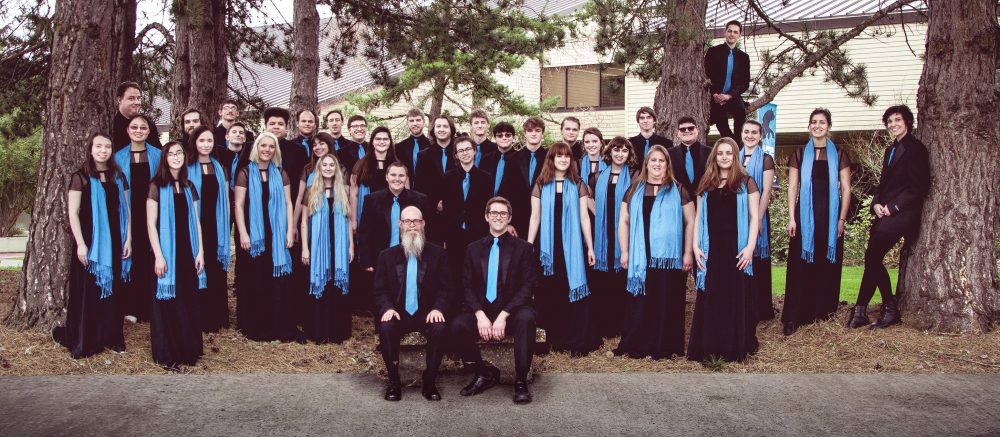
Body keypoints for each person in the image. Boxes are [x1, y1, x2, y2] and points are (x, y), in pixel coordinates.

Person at [848, 105, 929, 330]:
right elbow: (884, 184)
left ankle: (889, 308)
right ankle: (861, 310)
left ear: (907, 122)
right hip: (883, 213)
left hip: (903, 214)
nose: (893, 124)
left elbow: (919, 187)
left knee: (872, 257)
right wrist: (875, 204)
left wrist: (892, 207)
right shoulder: (891, 149)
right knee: (872, 258)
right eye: (889, 121)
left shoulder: (916, 149)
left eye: (897, 120)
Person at [449, 197, 538, 404]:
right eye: (494, 213)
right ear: (486, 217)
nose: (498, 217)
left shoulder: (523, 248)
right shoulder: (472, 248)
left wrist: (503, 316)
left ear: (510, 218)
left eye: (503, 214)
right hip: (483, 310)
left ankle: (520, 381)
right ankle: (482, 373)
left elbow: (528, 286)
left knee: (526, 319)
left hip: (513, 310)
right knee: (457, 325)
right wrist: (480, 315)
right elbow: (467, 285)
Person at [614, 145, 694, 359]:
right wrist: (624, 251)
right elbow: (623, 221)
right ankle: (639, 344)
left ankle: (665, 346)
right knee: (640, 302)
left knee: (667, 301)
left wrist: (688, 253)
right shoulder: (634, 190)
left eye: (662, 160)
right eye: (653, 160)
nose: (657, 164)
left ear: (667, 164)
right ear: (646, 164)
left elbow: (691, 221)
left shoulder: (679, 189)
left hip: (670, 258)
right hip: (641, 255)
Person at [54, 133, 131, 358]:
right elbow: (73, 213)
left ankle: (113, 337)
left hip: (115, 241)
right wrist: (80, 244)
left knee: (114, 292)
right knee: (89, 293)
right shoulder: (81, 177)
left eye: (107, 146)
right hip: (90, 243)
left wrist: (129, 239)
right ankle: (87, 339)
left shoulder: (118, 176)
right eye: (98, 146)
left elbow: (126, 211)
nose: (103, 150)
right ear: (91, 149)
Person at [688, 137, 761, 363]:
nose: (724, 157)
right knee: (711, 298)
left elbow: (754, 217)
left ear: (735, 155)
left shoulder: (746, 182)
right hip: (711, 250)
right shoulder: (706, 182)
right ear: (715, 156)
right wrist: (695, 246)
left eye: (729, 153)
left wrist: (750, 248)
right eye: (720, 153)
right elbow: (698, 217)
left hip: (736, 250)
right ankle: (710, 348)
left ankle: (733, 347)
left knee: (733, 298)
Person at [783, 108, 852, 336]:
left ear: (829, 126)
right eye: (814, 122)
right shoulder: (799, 155)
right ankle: (796, 315)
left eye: (822, 122)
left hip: (829, 219)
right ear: (809, 126)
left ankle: (823, 313)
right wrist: (792, 217)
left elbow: (846, 189)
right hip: (804, 219)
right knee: (800, 265)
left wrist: (841, 219)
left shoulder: (840, 155)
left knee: (826, 265)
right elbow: (793, 187)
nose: (817, 126)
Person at [527, 141, 599, 357]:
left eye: (567, 156)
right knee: (549, 293)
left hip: (573, 248)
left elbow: (585, 218)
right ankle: (551, 339)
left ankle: (576, 341)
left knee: (574, 292)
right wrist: (528, 246)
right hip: (548, 249)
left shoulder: (578, 184)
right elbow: (535, 217)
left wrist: (590, 247)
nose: (563, 159)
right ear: (552, 159)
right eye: (559, 156)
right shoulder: (540, 184)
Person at [373, 206, 452, 401]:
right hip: (398, 313)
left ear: (423, 224)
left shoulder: (438, 253)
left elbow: (447, 288)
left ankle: (430, 381)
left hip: (426, 313)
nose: (412, 225)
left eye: (416, 221)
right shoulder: (386, 256)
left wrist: (438, 308)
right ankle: (393, 381)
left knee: (439, 327)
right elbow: (379, 290)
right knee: (387, 326)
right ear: (400, 225)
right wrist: (387, 308)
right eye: (407, 221)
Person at [146, 141, 207, 369]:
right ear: (164, 158)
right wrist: (159, 256)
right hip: (166, 252)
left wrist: (200, 250)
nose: (176, 157)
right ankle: (167, 351)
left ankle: (188, 349)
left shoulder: (190, 186)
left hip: (188, 250)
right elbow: (151, 224)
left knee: (187, 300)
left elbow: (197, 222)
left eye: (179, 153)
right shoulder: (156, 185)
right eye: (171, 154)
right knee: (167, 302)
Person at [233, 132, 298, 342]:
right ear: (257, 148)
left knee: (277, 280)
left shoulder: (281, 173)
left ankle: (277, 324)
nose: (267, 150)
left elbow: (289, 203)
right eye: (264, 146)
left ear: (275, 150)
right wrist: (243, 232)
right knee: (255, 279)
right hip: (255, 235)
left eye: (271, 147)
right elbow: (239, 205)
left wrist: (289, 231)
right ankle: (255, 325)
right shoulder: (244, 173)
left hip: (277, 233)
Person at [357, 162, 429, 311]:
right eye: (393, 175)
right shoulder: (372, 199)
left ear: (406, 178)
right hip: (382, 254)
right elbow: (365, 232)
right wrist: (366, 260)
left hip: (411, 252)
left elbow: (428, 230)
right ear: (386, 177)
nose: (397, 179)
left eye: (401, 175)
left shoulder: (420, 199)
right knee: (384, 291)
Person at [300, 153, 354, 344]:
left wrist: (351, 246)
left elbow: (348, 220)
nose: (329, 168)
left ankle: (338, 332)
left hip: (339, 246)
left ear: (336, 169)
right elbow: (304, 223)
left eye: (332, 165)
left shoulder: (342, 191)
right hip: (318, 247)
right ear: (319, 168)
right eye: (325, 165)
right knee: (321, 284)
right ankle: (319, 332)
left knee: (336, 286)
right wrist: (305, 248)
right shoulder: (311, 191)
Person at [114, 114, 161, 323]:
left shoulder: (158, 156)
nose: (139, 130)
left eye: (143, 127)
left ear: (149, 132)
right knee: (131, 258)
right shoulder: (118, 157)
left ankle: (150, 307)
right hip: (128, 213)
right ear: (128, 130)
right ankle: (131, 307)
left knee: (150, 257)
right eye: (134, 127)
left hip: (153, 214)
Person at [348, 127, 399, 313]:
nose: (382, 142)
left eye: (386, 138)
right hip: (367, 216)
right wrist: (353, 219)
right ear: (372, 141)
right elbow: (353, 194)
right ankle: (368, 303)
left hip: (390, 218)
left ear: (390, 142)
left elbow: (406, 189)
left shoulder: (396, 163)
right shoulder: (361, 164)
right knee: (370, 258)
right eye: (378, 138)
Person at [186, 126, 231, 332]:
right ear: (194, 142)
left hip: (216, 224)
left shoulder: (218, 167)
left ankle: (217, 316)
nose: (206, 145)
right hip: (195, 224)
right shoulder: (187, 166)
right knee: (198, 267)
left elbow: (225, 199)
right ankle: (199, 316)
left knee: (215, 268)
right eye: (202, 141)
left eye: (209, 141)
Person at [590, 136, 636, 338]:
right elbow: (588, 200)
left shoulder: (635, 176)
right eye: (617, 150)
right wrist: (600, 213)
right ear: (609, 152)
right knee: (603, 280)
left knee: (621, 279)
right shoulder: (597, 176)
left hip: (624, 232)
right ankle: (604, 325)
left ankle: (621, 325)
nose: (620, 154)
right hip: (601, 234)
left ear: (629, 155)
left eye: (625, 150)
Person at [441, 136, 493, 290]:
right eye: (461, 150)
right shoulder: (448, 177)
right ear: (456, 155)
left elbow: (486, 206)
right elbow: (447, 208)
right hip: (454, 233)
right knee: (455, 269)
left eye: (468, 149)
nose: (465, 153)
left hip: (477, 232)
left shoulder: (486, 177)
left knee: (476, 269)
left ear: (475, 151)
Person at [740, 120, 777, 322]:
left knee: (758, 261)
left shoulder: (765, 159)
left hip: (758, 214)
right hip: (738, 217)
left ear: (761, 136)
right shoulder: (733, 157)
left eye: (754, 132)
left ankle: (760, 309)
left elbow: (766, 192)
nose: (750, 135)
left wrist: (760, 218)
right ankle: (743, 305)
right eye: (746, 132)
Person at [480, 122, 529, 237]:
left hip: (511, 219)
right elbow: (480, 190)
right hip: (487, 216)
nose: (504, 138)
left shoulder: (521, 159)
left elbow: (521, 196)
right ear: (494, 137)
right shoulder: (486, 159)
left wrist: (510, 222)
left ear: (513, 137)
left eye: (508, 135)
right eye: (500, 135)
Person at [414, 115, 457, 244]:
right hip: (431, 213)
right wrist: (434, 204)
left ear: (451, 130)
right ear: (433, 130)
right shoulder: (423, 155)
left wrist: (449, 203)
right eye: (438, 126)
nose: (441, 129)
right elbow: (419, 186)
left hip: (456, 212)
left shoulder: (460, 153)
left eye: (445, 126)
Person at [705, 20, 750, 141]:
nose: (732, 34)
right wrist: (715, 94)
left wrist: (729, 96)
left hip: (732, 96)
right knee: (721, 120)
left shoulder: (743, 58)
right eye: (729, 31)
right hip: (715, 96)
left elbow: (745, 83)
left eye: (735, 32)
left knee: (740, 112)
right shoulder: (713, 52)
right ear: (725, 32)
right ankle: (731, 142)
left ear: (739, 35)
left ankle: (738, 143)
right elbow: (706, 76)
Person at [668, 116, 713, 199]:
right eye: (682, 129)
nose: (687, 131)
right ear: (678, 133)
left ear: (697, 130)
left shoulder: (710, 152)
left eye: (691, 128)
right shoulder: (669, 154)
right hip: (678, 200)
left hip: (706, 199)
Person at [112, 81, 162, 151]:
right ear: (119, 100)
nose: (137, 102)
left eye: (138, 98)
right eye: (131, 98)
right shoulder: (111, 126)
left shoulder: (148, 124)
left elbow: (158, 153)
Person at [394, 108, 432, 177]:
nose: (415, 123)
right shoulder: (398, 148)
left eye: (418, 120)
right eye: (411, 121)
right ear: (407, 123)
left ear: (424, 122)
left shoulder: (432, 146)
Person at [213, 122, 250, 190]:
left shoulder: (249, 158)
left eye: (241, 133)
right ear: (227, 137)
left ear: (244, 139)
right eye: (234, 132)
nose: (238, 134)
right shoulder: (219, 156)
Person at [516, 117, 549, 190]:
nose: (534, 134)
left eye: (537, 130)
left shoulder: (550, 157)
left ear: (542, 134)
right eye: (530, 130)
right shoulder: (513, 158)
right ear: (525, 133)